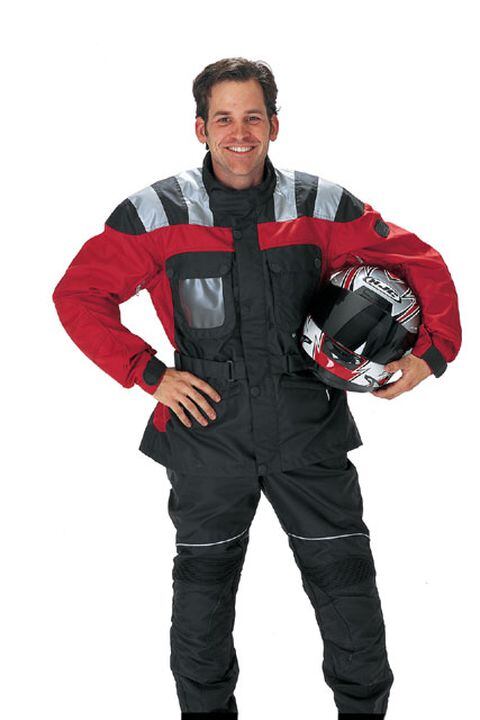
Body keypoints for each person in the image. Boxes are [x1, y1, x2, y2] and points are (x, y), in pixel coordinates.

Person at [52, 57, 462, 719]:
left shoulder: (319, 205)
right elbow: (78, 295)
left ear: (274, 124)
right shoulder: (156, 213)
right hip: (207, 434)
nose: (238, 133)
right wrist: (148, 373)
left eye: (252, 117)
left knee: (347, 588)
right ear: (200, 127)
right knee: (203, 598)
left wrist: (432, 353)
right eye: (223, 118)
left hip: (308, 429)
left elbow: (420, 261)